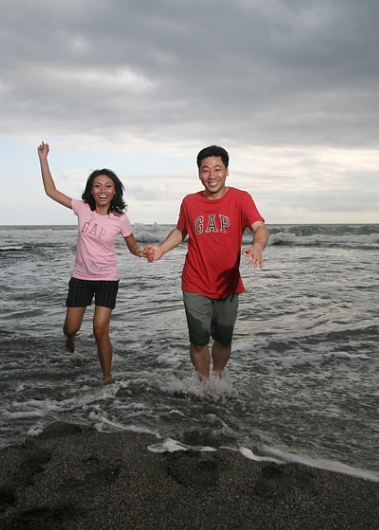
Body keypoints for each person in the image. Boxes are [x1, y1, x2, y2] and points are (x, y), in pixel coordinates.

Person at [143, 145, 268, 380]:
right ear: (199, 173)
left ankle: (218, 376)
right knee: (199, 339)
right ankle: (204, 383)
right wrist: (161, 249)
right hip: (195, 282)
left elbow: (259, 227)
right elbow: (181, 231)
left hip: (227, 285)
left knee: (223, 339)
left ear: (227, 171)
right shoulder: (190, 202)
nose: (212, 176)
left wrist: (258, 246)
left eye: (217, 169)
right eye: (205, 170)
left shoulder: (241, 199)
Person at [37, 142, 146, 384]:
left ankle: (107, 377)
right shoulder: (82, 208)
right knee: (71, 328)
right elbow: (51, 191)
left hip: (107, 279)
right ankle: (70, 339)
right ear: (92, 190)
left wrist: (142, 252)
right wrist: (43, 159)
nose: (103, 190)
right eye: (98, 186)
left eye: (108, 186)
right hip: (81, 278)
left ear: (115, 191)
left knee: (100, 331)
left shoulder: (120, 219)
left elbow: (132, 246)